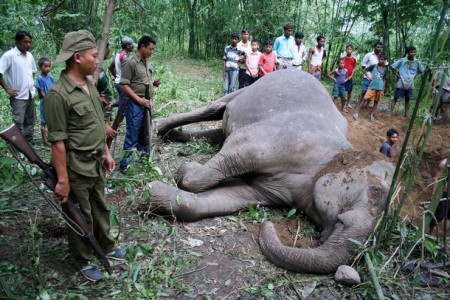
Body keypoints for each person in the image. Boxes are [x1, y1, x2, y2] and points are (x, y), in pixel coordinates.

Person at [43, 30, 125, 282]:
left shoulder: (89, 85)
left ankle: (107, 246)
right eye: (93, 55)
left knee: (99, 206)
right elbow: (57, 143)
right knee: (80, 213)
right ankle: (84, 258)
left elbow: (97, 124)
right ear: (78, 57)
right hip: (75, 166)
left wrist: (107, 152)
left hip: (96, 162)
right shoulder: (58, 95)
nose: (98, 60)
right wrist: (63, 180)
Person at [119, 36, 156, 172]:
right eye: (150, 49)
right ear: (143, 47)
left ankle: (144, 157)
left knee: (145, 131)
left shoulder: (146, 62)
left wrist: (150, 99)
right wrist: (138, 99)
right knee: (132, 132)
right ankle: (125, 164)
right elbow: (124, 84)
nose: (152, 52)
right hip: (135, 103)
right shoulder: (131, 62)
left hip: (146, 103)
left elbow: (146, 81)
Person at [0, 31, 37, 143]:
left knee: (30, 121)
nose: (28, 45)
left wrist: (29, 82)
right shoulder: (9, 55)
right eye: (25, 42)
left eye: (30, 42)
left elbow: (33, 71)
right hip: (18, 96)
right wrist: (7, 88)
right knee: (18, 123)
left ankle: (28, 145)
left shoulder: (29, 56)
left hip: (30, 94)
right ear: (17, 41)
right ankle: (17, 147)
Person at [353, 42, 386, 119]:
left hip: (378, 85)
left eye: (380, 47)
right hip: (369, 80)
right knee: (364, 94)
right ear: (374, 47)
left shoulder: (384, 67)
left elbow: (384, 78)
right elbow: (363, 67)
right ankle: (357, 110)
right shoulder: (370, 56)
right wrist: (368, 76)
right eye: (377, 47)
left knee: (375, 100)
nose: (379, 48)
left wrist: (383, 89)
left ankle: (371, 114)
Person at [390, 46, 425, 117]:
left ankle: (406, 114)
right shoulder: (402, 60)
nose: (413, 53)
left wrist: (415, 74)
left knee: (408, 98)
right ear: (408, 53)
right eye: (411, 52)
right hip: (401, 80)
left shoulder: (417, 61)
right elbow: (392, 67)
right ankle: (390, 112)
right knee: (396, 97)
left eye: (414, 52)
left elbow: (422, 69)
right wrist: (397, 75)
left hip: (410, 81)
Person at [95, 41, 117, 143]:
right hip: (98, 117)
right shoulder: (94, 72)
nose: (109, 51)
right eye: (107, 48)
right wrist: (103, 122)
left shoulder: (100, 69)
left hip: (104, 114)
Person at [109, 37, 136, 108]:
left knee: (123, 102)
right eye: (131, 45)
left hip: (118, 83)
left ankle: (112, 105)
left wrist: (117, 77)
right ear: (127, 46)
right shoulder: (124, 57)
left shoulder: (118, 55)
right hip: (122, 85)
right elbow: (127, 72)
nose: (132, 46)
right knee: (122, 108)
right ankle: (111, 107)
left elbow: (111, 68)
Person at [35, 57, 54, 146]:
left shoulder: (51, 78)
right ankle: (45, 141)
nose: (48, 68)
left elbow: (54, 88)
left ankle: (50, 138)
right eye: (45, 66)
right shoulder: (40, 78)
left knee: (51, 119)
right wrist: (48, 98)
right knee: (43, 121)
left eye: (49, 66)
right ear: (40, 67)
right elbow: (41, 92)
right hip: (45, 102)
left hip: (51, 101)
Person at [429, 158, 449, 234]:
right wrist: (434, 193)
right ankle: (430, 232)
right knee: (438, 215)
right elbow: (437, 178)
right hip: (444, 193)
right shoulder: (444, 164)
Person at [341, 44, 357, 109]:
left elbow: (354, 68)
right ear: (346, 50)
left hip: (350, 77)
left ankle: (348, 103)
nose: (349, 50)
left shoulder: (353, 59)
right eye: (348, 49)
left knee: (349, 90)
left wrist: (351, 76)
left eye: (350, 49)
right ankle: (343, 103)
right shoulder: (343, 59)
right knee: (343, 90)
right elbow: (340, 67)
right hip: (343, 77)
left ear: (352, 50)